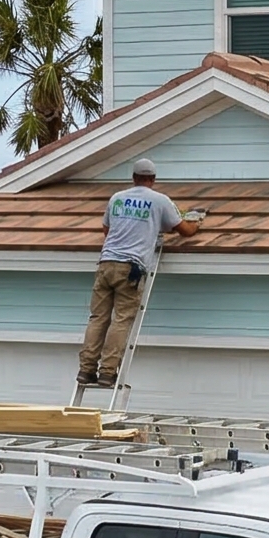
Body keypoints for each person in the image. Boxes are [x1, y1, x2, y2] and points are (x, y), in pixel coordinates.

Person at [77, 159, 199, 388]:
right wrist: (196, 222)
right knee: (121, 319)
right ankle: (107, 372)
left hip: (106, 264)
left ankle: (86, 370)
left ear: (133, 178)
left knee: (98, 318)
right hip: (130, 269)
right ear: (153, 179)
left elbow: (107, 230)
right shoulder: (160, 200)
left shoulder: (117, 198)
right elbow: (185, 231)